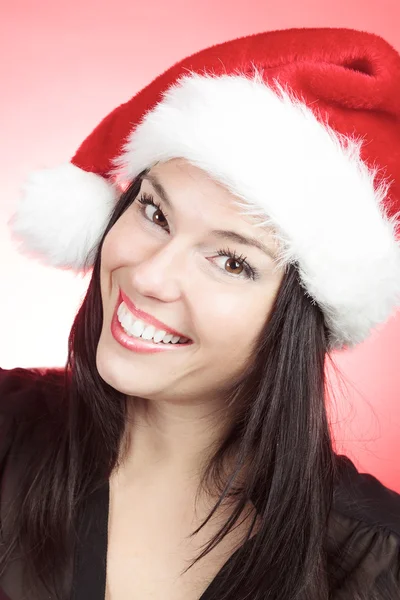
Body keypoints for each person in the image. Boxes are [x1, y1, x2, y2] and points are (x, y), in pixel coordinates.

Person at [1, 25, 400, 600]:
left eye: (232, 262)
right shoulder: (9, 437)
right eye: (155, 214)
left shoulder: (376, 561)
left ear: (300, 320)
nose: (149, 275)